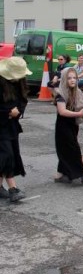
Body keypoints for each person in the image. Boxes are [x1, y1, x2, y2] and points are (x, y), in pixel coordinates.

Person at [53, 68, 83, 185]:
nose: (72, 80)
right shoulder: (60, 94)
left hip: (72, 125)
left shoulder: (77, 92)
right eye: (69, 78)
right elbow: (62, 111)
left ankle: (61, 174)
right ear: (65, 79)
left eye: (74, 78)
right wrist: (79, 114)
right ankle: (81, 174)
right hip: (63, 125)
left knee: (66, 149)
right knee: (73, 149)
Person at [0, 57, 30, 202]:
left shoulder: (20, 83)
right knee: (7, 155)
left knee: (8, 155)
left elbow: (23, 100)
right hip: (1, 124)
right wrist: (8, 113)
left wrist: (17, 111)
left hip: (11, 126)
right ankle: (13, 188)